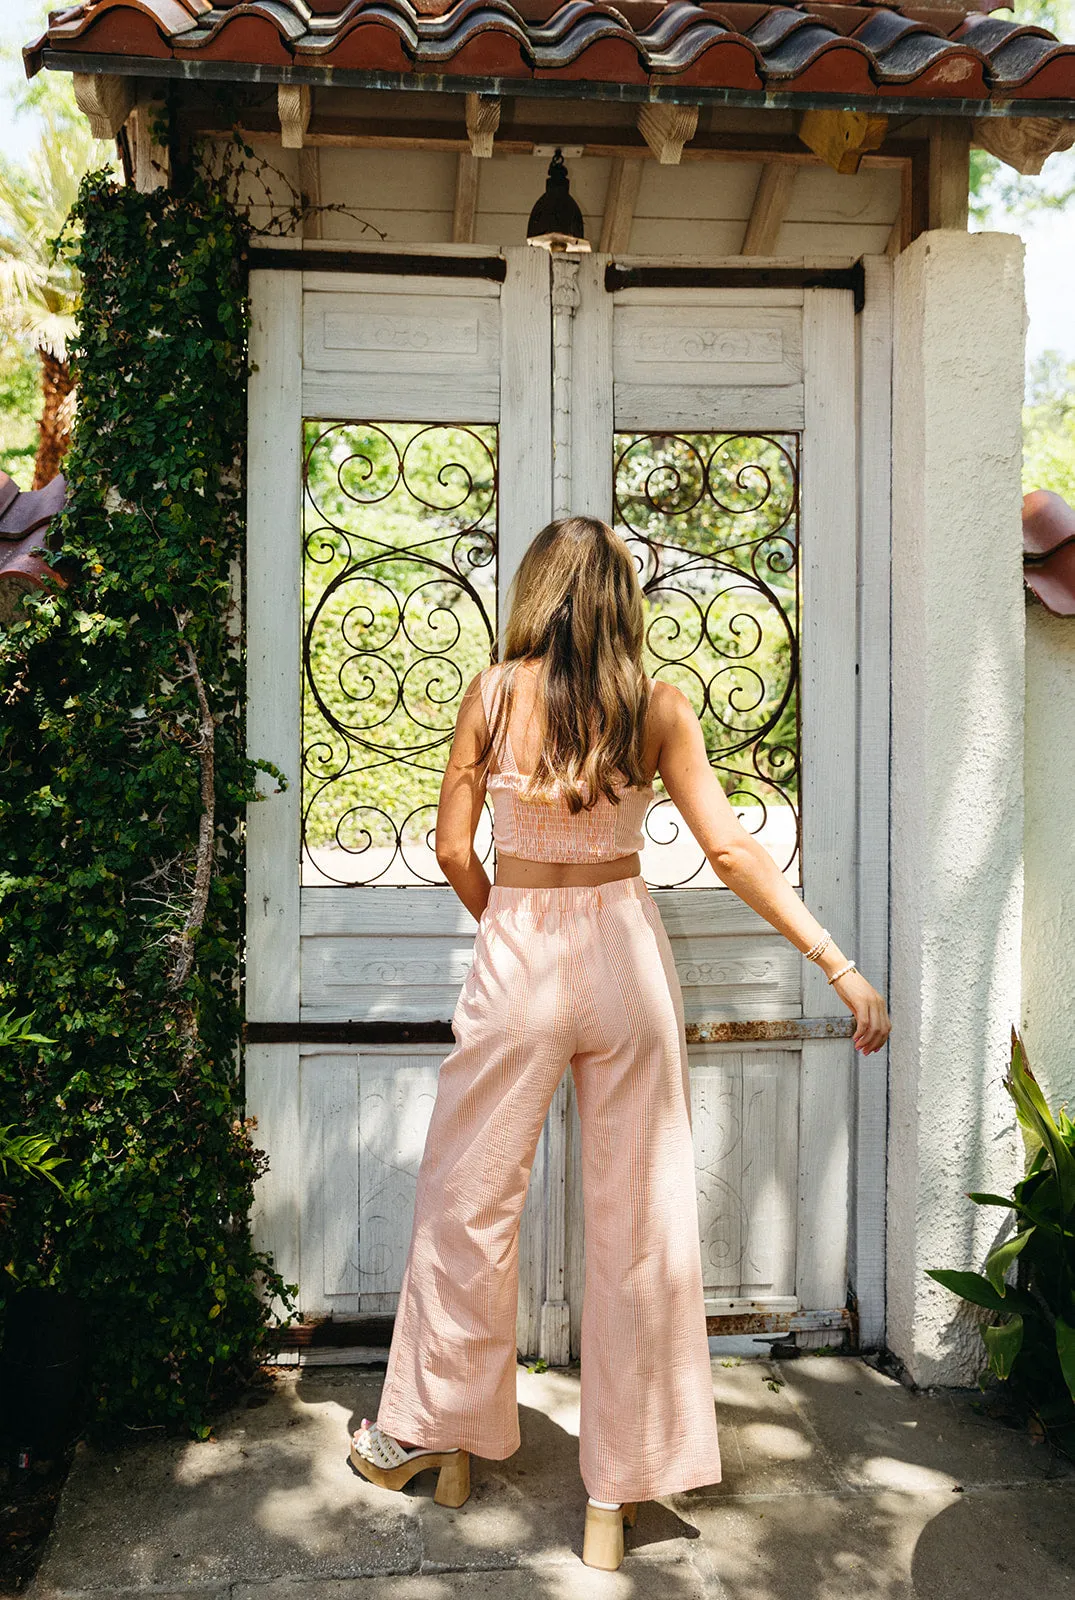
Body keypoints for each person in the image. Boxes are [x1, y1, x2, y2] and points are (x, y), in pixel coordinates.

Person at [349, 515, 890, 1570]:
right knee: (639, 1221)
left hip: (522, 952)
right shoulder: (658, 706)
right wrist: (837, 964)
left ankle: (433, 1437)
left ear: (537, 593)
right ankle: (617, 1495)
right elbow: (729, 848)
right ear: (620, 603)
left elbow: (455, 845)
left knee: (467, 1198)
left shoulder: (490, 692)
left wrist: (504, 918)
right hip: (624, 958)